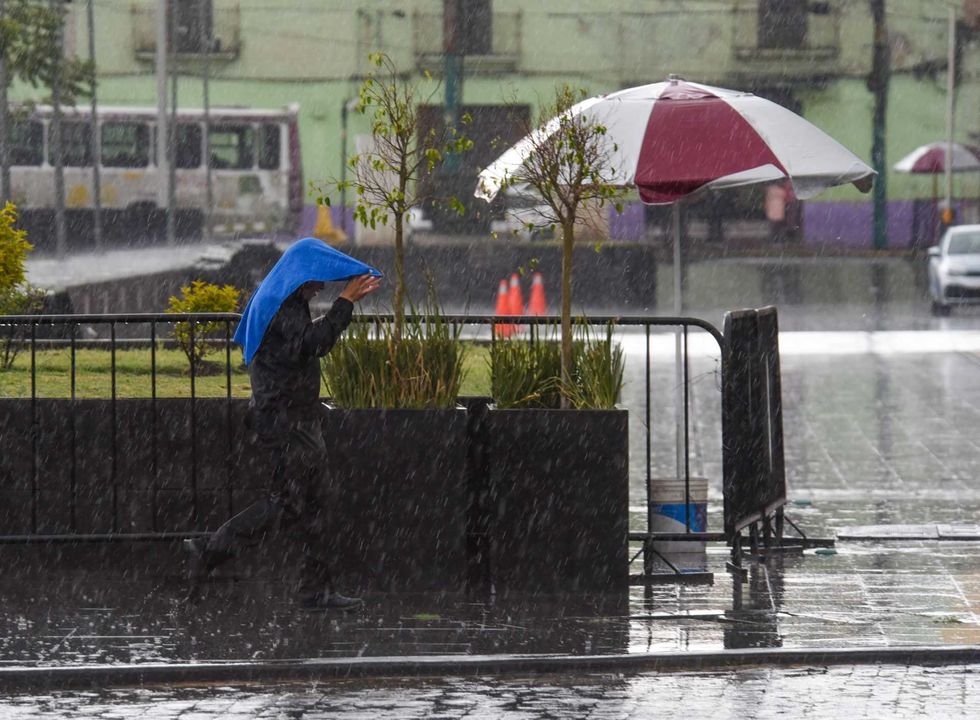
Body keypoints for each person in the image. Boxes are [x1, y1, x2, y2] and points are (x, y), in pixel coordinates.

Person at [185, 238, 382, 610]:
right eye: (316, 280)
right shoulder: (284, 307)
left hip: (292, 419)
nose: (320, 287)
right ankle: (208, 550)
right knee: (288, 505)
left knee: (311, 505)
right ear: (299, 277)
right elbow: (314, 344)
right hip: (287, 423)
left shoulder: (282, 299)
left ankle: (315, 589)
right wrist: (346, 302)